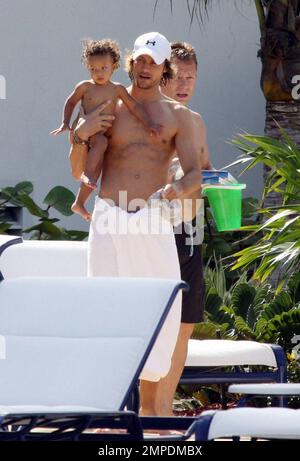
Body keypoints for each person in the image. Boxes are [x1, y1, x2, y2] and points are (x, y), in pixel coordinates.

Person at [68, 31, 202, 416]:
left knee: (158, 313)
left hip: (151, 218)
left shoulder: (180, 117)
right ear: (130, 63)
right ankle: (105, 412)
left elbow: (195, 175)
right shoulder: (106, 103)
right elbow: (79, 171)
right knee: (103, 311)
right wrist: (81, 133)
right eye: (140, 59)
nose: (145, 67)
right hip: (109, 215)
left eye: (153, 61)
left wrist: (176, 188)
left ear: (164, 69)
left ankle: (147, 413)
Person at [155, 41, 213, 416]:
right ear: (162, 77)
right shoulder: (150, 120)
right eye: (177, 77)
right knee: (157, 322)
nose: (184, 84)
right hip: (158, 230)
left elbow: (207, 170)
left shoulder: (196, 122)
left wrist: (212, 182)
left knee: (185, 324)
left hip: (190, 231)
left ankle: (163, 405)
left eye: (190, 77)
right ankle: (150, 408)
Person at [50, 38, 160, 221]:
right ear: (88, 68)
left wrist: (149, 123)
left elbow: (134, 107)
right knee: (94, 152)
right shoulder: (85, 87)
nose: (98, 73)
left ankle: (79, 201)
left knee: (100, 149)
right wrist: (65, 123)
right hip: (81, 131)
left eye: (103, 68)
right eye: (93, 69)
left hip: (99, 136)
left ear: (114, 66)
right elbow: (70, 102)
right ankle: (84, 182)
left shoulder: (117, 89)